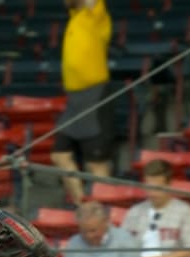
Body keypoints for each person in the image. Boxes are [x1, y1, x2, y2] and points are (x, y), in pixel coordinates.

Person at [51, 0, 112, 205]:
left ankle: (104, 210)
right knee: (60, 154)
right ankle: (82, 205)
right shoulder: (75, 17)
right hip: (74, 98)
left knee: (97, 162)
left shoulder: (94, 15)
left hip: (94, 94)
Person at [122, 160, 190, 257]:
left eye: (158, 188)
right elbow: (122, 246)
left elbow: (189, 251)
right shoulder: (134, 211)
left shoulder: (185, 211)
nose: (152, 193)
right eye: (148, 187)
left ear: (169, 185)